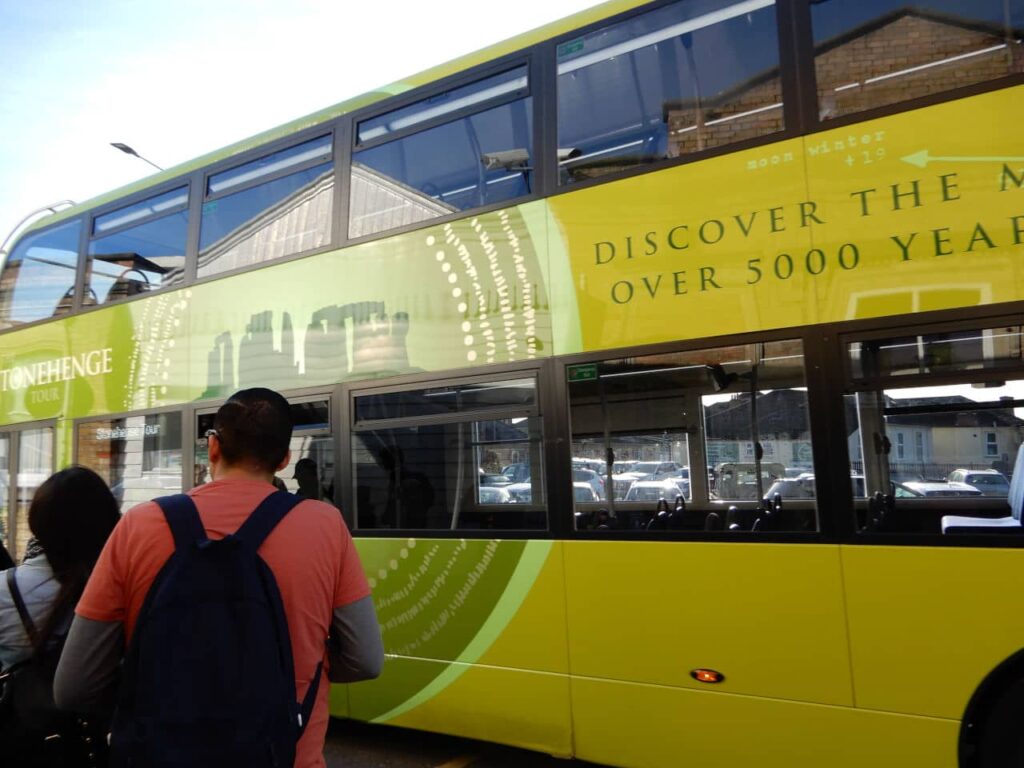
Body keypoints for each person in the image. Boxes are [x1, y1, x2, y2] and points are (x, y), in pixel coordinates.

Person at [54, 387, 384, 768]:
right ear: (283, 460)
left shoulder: (139, 526)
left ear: (213, 447)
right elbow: (366, 661)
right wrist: (302, 661)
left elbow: (74, 687)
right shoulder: (326, 525)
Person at [0, 466, 121, 761]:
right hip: (99, 743)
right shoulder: (121, 588)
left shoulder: (5, 588)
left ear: (37, 522)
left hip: (21, 739)